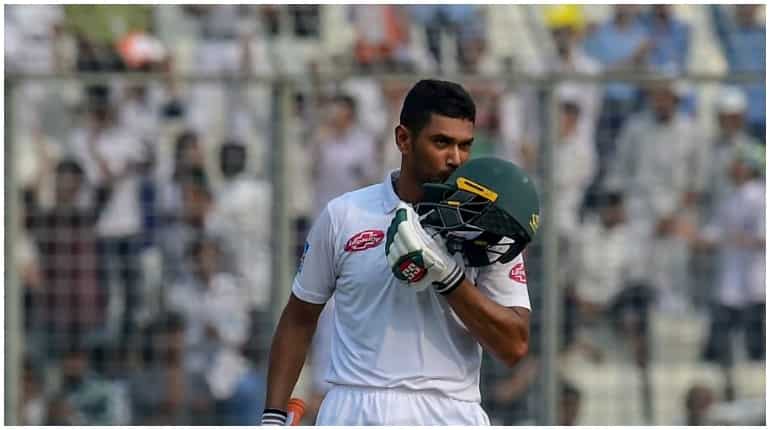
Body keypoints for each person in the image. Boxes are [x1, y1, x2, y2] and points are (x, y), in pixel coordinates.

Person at [262, 79, 539, 425]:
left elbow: (514, 346)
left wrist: (449, 278)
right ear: (403, 139)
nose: (455, 158)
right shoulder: (344, 215)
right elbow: (299, 317)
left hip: (450, 409)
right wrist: (273, 416)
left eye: (465, 146)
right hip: (355, 407)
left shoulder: (492, 225)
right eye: (441, 142)